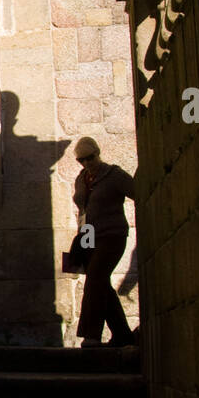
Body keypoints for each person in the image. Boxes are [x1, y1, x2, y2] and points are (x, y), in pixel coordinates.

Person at [71, 136, 136, 348]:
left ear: (98, 153)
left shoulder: (113, 174)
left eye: (90, 158)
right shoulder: (81, 179)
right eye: (82, 160)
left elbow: (138, 191)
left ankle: (91, 335)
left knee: (96, 278)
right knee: (100, 283)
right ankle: (123, 334)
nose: (87, 163)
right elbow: (83, 209)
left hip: (112, 235)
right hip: (88, 235)